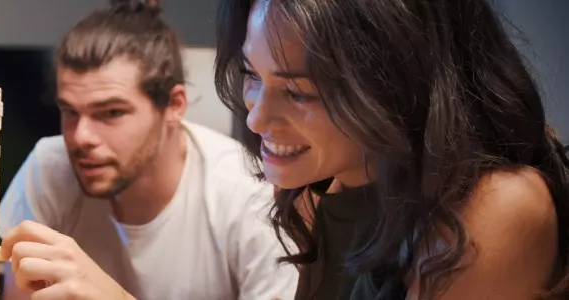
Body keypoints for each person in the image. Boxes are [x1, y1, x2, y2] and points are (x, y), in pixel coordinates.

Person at [212, 0, 569, 299]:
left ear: (398, 83)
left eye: (299, 92)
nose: (256, 119)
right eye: (252, 74)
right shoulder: (318, 192)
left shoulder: (495, 207)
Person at [0, 3, 298, 300]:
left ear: (175, 105)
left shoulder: (246, 195)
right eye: (70, 112)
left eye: (111, 112)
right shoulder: (48, 168)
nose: (81, 137)